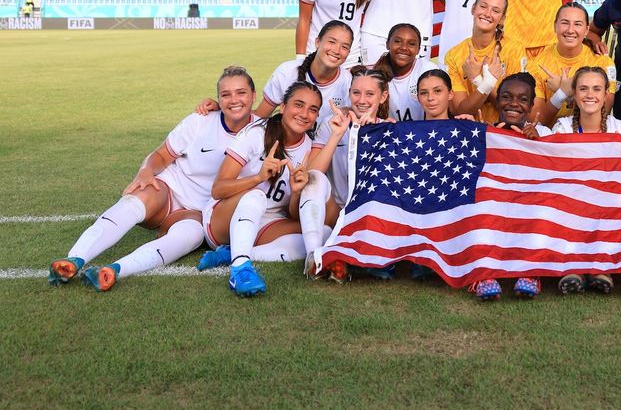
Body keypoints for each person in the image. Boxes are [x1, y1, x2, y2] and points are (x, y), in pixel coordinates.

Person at [48, 67, 258, 291]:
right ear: (217, 99)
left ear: (254, 96)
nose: (234, 100)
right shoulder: (200, 122)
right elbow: (161, 155)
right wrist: (146, 170)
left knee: (192, 236)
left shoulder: (263, 132)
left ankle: (115, 270)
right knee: (139, 196)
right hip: (167, 191)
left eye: (241, 93)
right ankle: (74, 258)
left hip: (200, 213)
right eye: (226, 94)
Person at [199, 82, 326, 297]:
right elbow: (218, 189)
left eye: (313, 110)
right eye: (298, 105)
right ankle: (239, 270)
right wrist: (258, 178)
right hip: (223, 218)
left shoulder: (308, 148)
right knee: (256, 195)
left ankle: (233, 254)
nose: (305, 114)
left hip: (267, 222)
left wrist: (296, 191)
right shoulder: (256, 133)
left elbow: (294, 214)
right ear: (283, 107)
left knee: (323, 234)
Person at [467, 72, 550, 301]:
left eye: (523, 99)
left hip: (529, 201)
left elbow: (556, 171)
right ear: (497, 100)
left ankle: (530, 272)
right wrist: (480, 138)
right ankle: (483, 274)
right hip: (496, 202)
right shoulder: (485, 130)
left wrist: (537, 144)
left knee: (540, 209)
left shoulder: (543, 134)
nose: (514, 103)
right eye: (506, 97)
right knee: (481, 207)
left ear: (532, 105)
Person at [551, 66, 621, 297]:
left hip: (609, 196)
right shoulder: (563, 127)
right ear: (574, 95)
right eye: (583, 89)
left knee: (609, 204)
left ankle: (601, 268)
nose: (590, 95)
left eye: (597, 89)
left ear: (607, 94)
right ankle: (572, 268)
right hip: (573, 196)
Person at [307, 66, 393, 282]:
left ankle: (343, 254)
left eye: (370, 94)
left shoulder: (390, 129)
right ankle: (324, 255)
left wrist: (374, 137)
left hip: (371, 216)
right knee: (316, 181)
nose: (361, 100)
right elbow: (313, 174)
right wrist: (337, 134)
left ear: (383, 97)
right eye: (356, 93)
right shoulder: (332, 124)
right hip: (335, 211)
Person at [198, 21, 353, 132]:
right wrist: (224, 108)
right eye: (332, 42)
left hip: (327, 155)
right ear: (317, 42)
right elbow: (260, 117)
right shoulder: (287, 72)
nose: (337, 50)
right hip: (287, 151)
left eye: (344, 47)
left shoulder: (348, 82)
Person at [530, 3, 618, 128]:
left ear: (587, 29)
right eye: (565, 23)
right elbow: (535, 121)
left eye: (577, 24)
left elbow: (604, 113)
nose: (570, 30)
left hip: (586, 139)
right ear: (555, 26)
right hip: (550, 141)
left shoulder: (602, 62)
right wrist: (561, 94)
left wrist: (567, 95)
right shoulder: (537, 64)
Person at [446, 0, 523, 123]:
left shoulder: (514, 49)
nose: (487, 14)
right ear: (473, 9)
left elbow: (513, 109)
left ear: (502, 19)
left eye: (496, 11)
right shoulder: (453, 55)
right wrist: (486, 83)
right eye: (483, 6)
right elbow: (460, 111)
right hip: (469, 134)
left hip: (503, 134)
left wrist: (477, 79)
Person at [373, 23, 435, 122]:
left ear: (418, 49)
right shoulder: (374, 75)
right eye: (397, 41)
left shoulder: (428, 70)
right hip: (391, 134)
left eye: (411, 44)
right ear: (388, 44)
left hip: (423, 133)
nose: (404, 48)